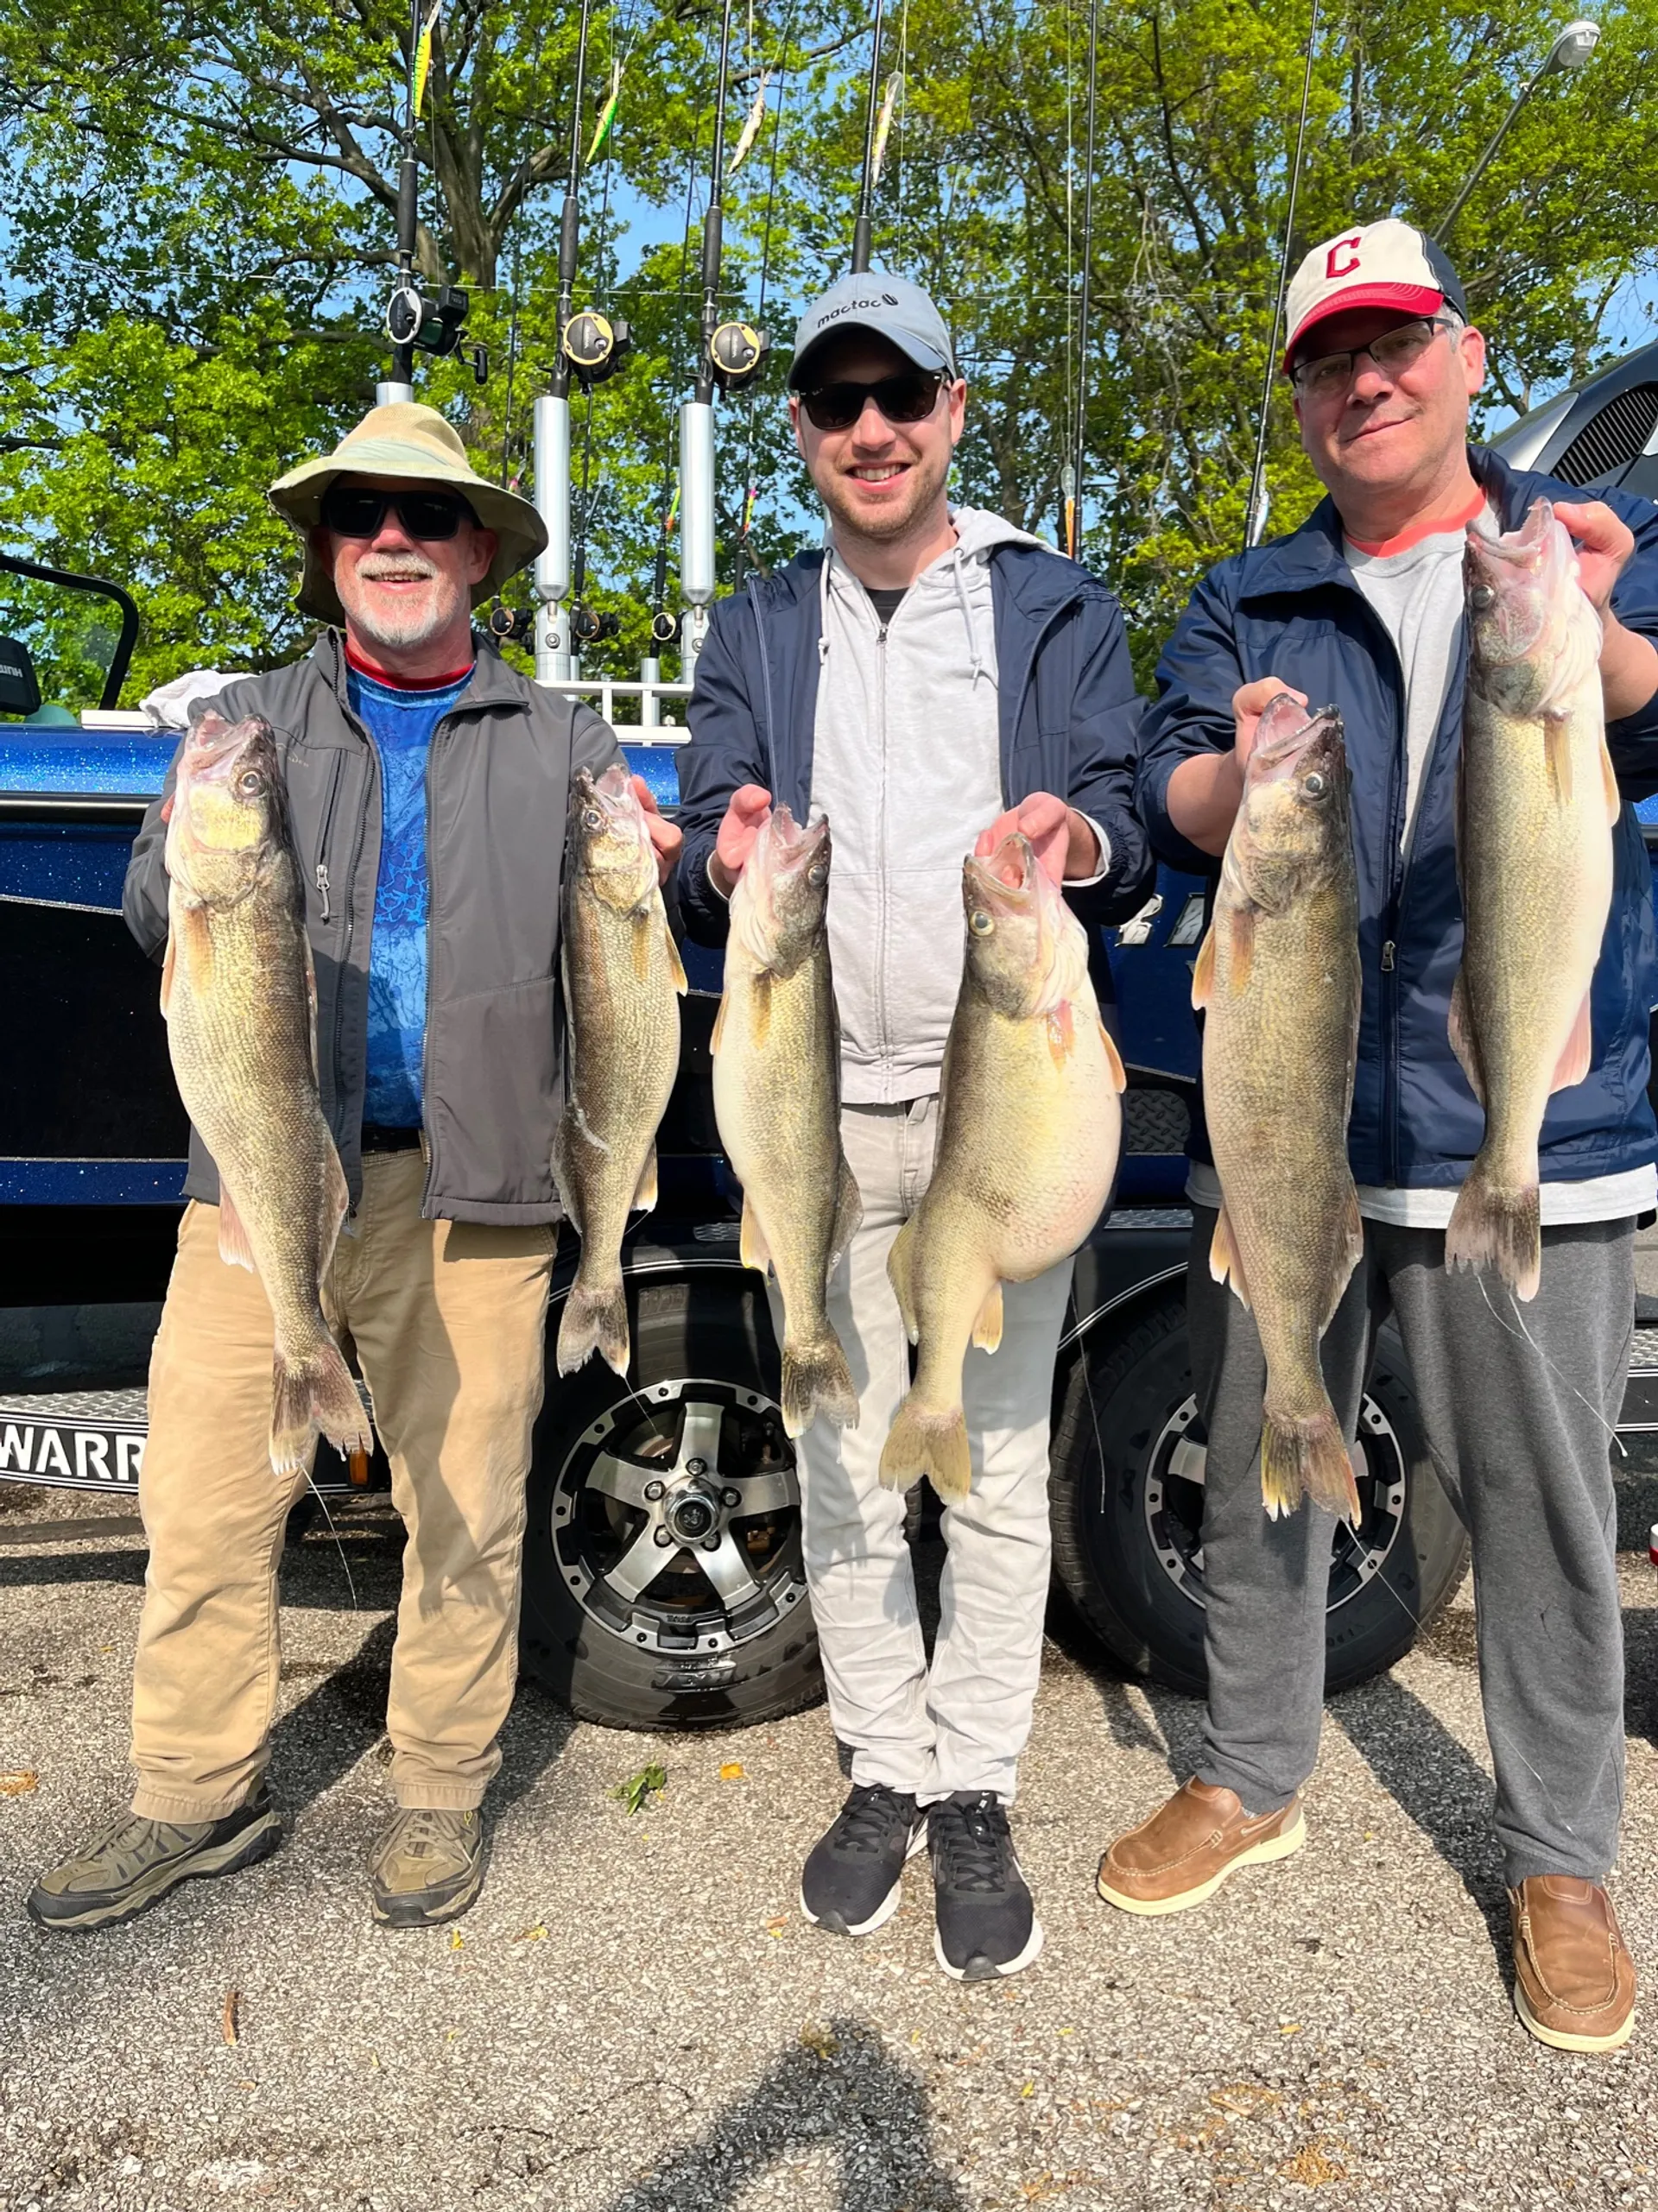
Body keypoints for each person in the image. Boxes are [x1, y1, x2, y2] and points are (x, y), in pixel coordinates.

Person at [1104, 219, 1658, 2052]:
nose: (1367, 379)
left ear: (1469, 355)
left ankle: (1563, 1857)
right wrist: (1229, 773)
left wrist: (1609, 630)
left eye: (1397, 343)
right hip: (1290, 1122)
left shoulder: (1577, 556)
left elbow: (1651, 713)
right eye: (1333, 357)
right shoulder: (1248, 596)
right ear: (1303, 395)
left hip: (1532, 1124)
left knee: (1547, 1508)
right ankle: (1253, 1773)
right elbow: (1178, 796)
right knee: (1265, 1460)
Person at [29, 402, 680, 1932]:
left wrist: (666, 848)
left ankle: (439, 1793)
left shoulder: (565, 742)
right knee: (201, 1505)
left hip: (482, 1198)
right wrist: (183, 839)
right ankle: (194, 1798)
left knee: (465, 1515)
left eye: (428, 515)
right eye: (362, 515)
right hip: (259, 1184)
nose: (395, 539)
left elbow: (651, 934)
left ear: (479, 553)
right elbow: (149, 915)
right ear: (330, 555)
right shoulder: (246, 724)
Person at [675, 273, 1151, 1980]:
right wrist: (718, 855)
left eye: (900, 396)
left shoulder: (1050, 603)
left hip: (993, 1112)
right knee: (841, 1464)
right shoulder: (754, 623)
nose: (869, 429)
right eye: (834, 402)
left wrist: (1078, 850)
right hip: (817, 1103)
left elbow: (1124, 816)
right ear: (803, 434)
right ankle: (883, 1763)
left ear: (955, 411)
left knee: (998, 1467)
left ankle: (977, 1786)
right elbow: (696, 830)